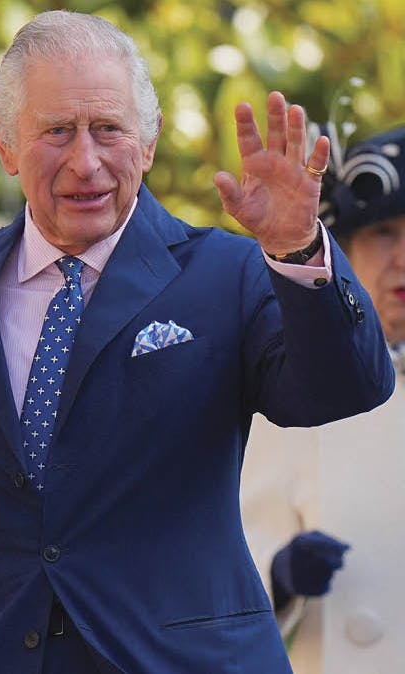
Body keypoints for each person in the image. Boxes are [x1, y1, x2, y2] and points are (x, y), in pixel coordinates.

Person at [0, 10, 395, 674]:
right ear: (4, 143)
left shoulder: (226, 275)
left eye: (108, 129)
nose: (85, 162)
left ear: (148, 142)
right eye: (57, 131)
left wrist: (297, 248)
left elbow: (349, 387)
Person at [241, 123, 405, 673]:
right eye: (384, 231)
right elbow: (230, 557)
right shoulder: (293, 383)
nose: (403, 256)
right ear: (344, 248)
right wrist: (282, 575)